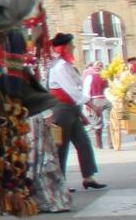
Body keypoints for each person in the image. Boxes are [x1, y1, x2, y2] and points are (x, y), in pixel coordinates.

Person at [45, 33, 106, 190]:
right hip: (61, 109)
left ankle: (88, 177)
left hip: (71, 108)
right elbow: (72, 90)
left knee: (83, 142)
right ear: (65, 47)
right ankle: (59, 181)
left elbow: (79, 84)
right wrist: (91, 104)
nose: (73, 48)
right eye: (71, 45)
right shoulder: (59, 67)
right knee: (61, 146)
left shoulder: (66, 66)